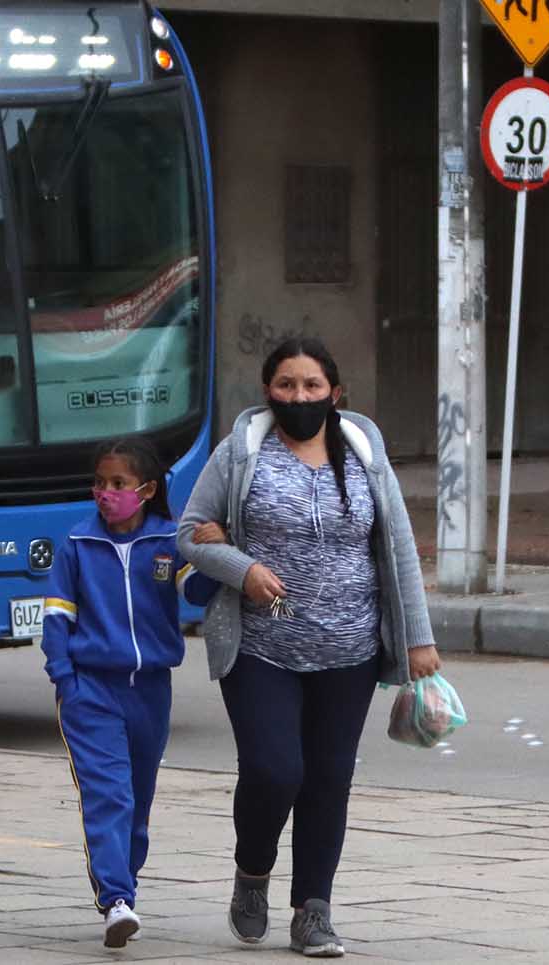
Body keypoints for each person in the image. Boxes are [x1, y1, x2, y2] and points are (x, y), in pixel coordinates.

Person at [176, 336, 441, 958]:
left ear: (334, 393)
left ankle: (312, 912)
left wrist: (419, 639)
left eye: (313, 387)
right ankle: (252, 870)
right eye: (288, 386)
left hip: (349, 650)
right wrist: (241, 568)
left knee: (328, 779)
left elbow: (398, 546)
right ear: (268, 391)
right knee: (275, 771)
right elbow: (189, 533)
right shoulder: (240, 454)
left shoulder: (362, 451)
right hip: (262, 643)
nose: (300, 397)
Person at [41, 436, 216, 948]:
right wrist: (65, 679)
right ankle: (114, 899)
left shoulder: (166, 543)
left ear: (147, 489)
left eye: (119, 484)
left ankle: (127, 892)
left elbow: (198, 593)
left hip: (151, 692)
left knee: (137, 802)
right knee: (108, 795)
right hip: (90, 691)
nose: (106, 493)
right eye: (100, 483)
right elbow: (56, 618)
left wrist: (209, 550)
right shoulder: (77, 545)